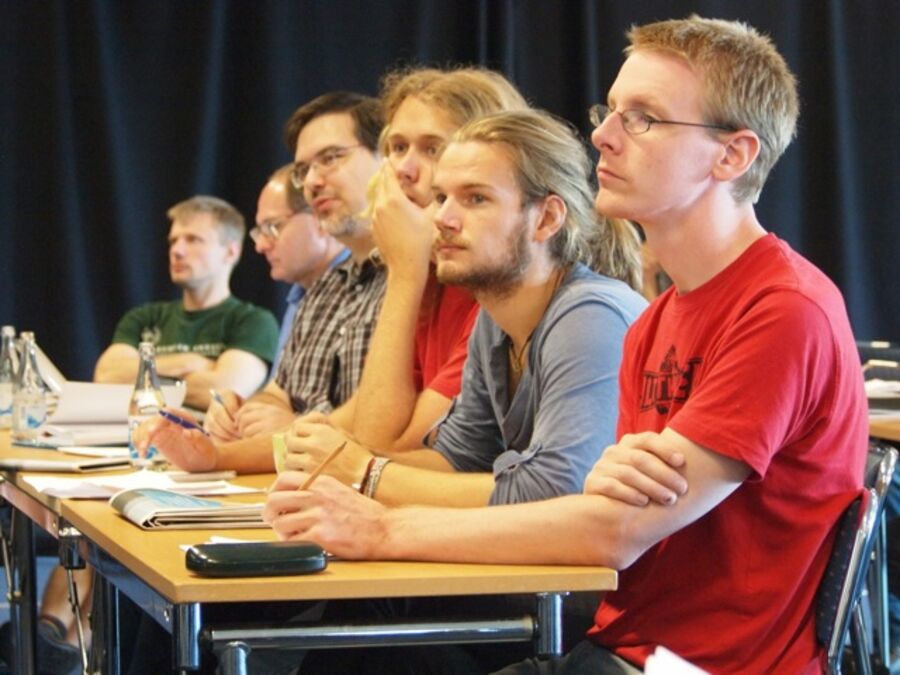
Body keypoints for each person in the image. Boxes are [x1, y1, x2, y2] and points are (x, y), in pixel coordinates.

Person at [263, 16, 868, 674]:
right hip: (619, 644)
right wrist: (602, 497)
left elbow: (614, 530)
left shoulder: (783, 310)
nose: (603, 136)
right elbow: (602, 507)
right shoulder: (657, 319)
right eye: (608, 111)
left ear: (732, 155)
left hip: (688, 666)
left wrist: (381, 526)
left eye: (643, 118)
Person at [141, 92, 387, 469]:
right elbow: (278, 393)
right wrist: (242, 413)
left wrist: (283, 432)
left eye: (331, 158)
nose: (312, 182)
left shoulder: (412, 278)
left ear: (385, 158)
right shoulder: (325, 288)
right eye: (304, 169)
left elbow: (385, 423)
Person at [335, 65, 529, 452]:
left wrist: (403, 272)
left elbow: (386, 446)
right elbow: (356, 422)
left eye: (432, 149)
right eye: (397, 147)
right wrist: (220, 453)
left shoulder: (491, 287)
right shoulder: (433, 275)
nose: (404, 170)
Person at [94, 195, 279, 410]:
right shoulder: (144, 317)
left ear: (231, 251)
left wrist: (141, 374)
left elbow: (223, 392)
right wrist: (192, 363)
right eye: (173, 241)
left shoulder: (253, 321)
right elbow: (106, 376)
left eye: (193, 239)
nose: (177, 251)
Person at [252, 164, 346, 375]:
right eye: (260, 231)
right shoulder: (300, 294)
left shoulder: (363, 287)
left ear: (322, 219)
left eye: (273, 227)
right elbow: (281, 393)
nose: (261, 245)